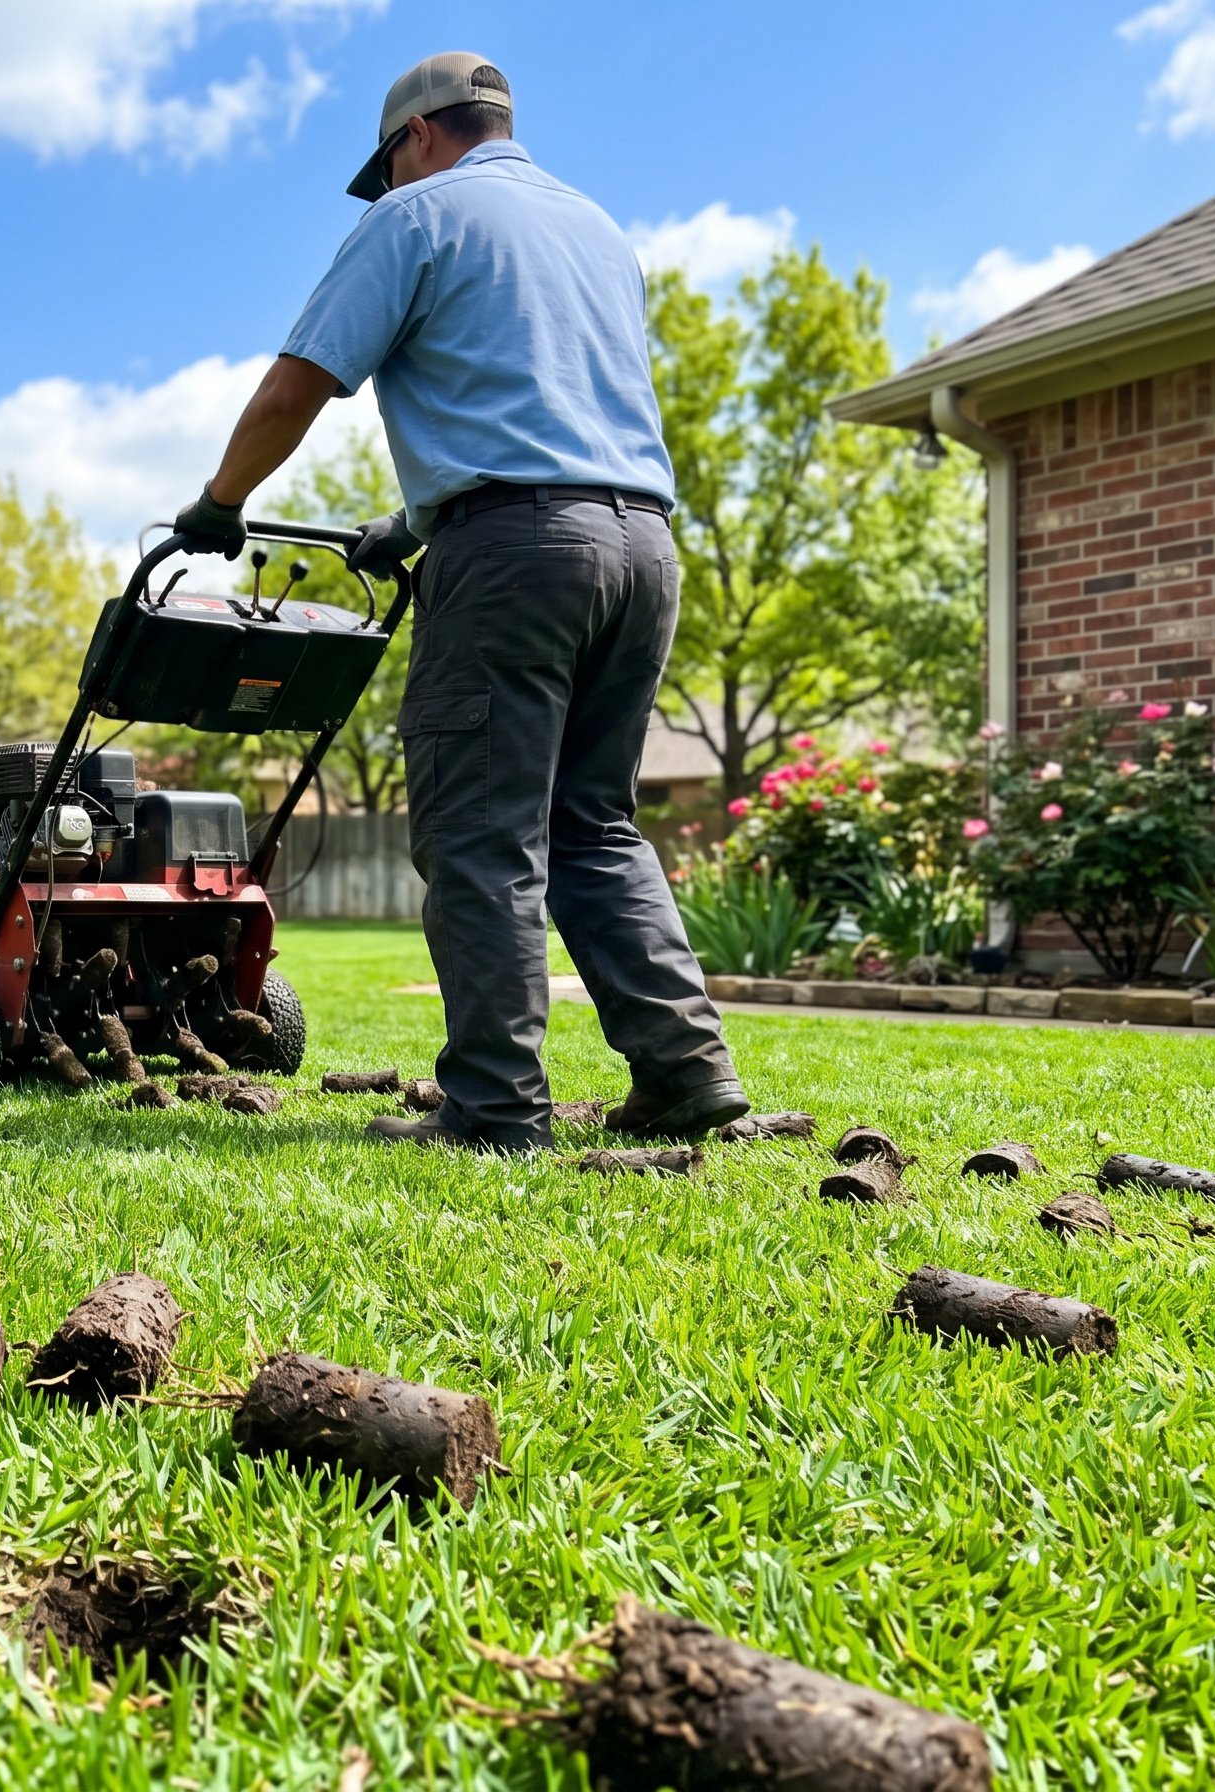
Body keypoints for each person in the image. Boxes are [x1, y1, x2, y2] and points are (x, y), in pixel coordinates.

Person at [172, 51, 746, 1151]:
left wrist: (220, 502)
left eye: (387, 167)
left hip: (518, 556)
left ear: (415, 138)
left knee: (482, 834)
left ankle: (494, 1109)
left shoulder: (415, 217)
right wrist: (419, 522)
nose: (387, 186)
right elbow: (546, 405)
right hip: (642, 548)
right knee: (593, 823)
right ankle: (686, 1070)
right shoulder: (595, 229)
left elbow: (300, 384)